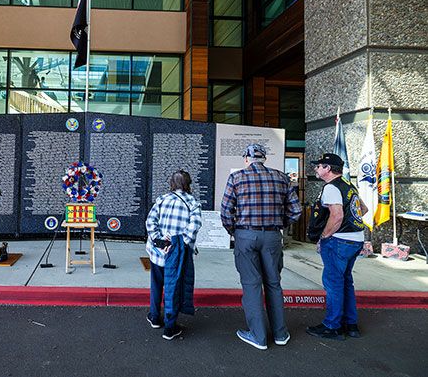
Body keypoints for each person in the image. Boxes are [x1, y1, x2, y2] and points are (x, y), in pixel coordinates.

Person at [221, 143, 302, 350]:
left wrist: (235, 231)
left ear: (246, 159)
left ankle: (258, 336)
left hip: (246, 235)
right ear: (264, 158)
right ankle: (280, 334)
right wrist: (279, 224)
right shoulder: (281, 177)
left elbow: (225, 211)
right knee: (274, 284)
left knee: (252, 284)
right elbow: (295, 212)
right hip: (273, 236)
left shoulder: (237, 178)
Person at [306, 153, 367, 340]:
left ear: (328, 169)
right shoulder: (349, 186)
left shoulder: (331, 188)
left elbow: (337, 215)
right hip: (355, 239)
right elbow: (363, 209)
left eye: (319, 166)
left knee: (333, 283)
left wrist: (324, 237)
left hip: (339, 241)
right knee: (346, 281)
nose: (316, 168)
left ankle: (332, 326)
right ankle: (351, 325)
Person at [145, 170, 202, 340]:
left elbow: (150, 221)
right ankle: (170, 328)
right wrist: (180, 243)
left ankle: (155, 317)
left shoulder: (162, 200)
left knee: (156, 284)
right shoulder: (192, 202)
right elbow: (195, 225)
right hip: (178, 255)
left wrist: (160, 241)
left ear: (171, 183)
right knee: (174, 287)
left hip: (158, 253)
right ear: (188, 184)